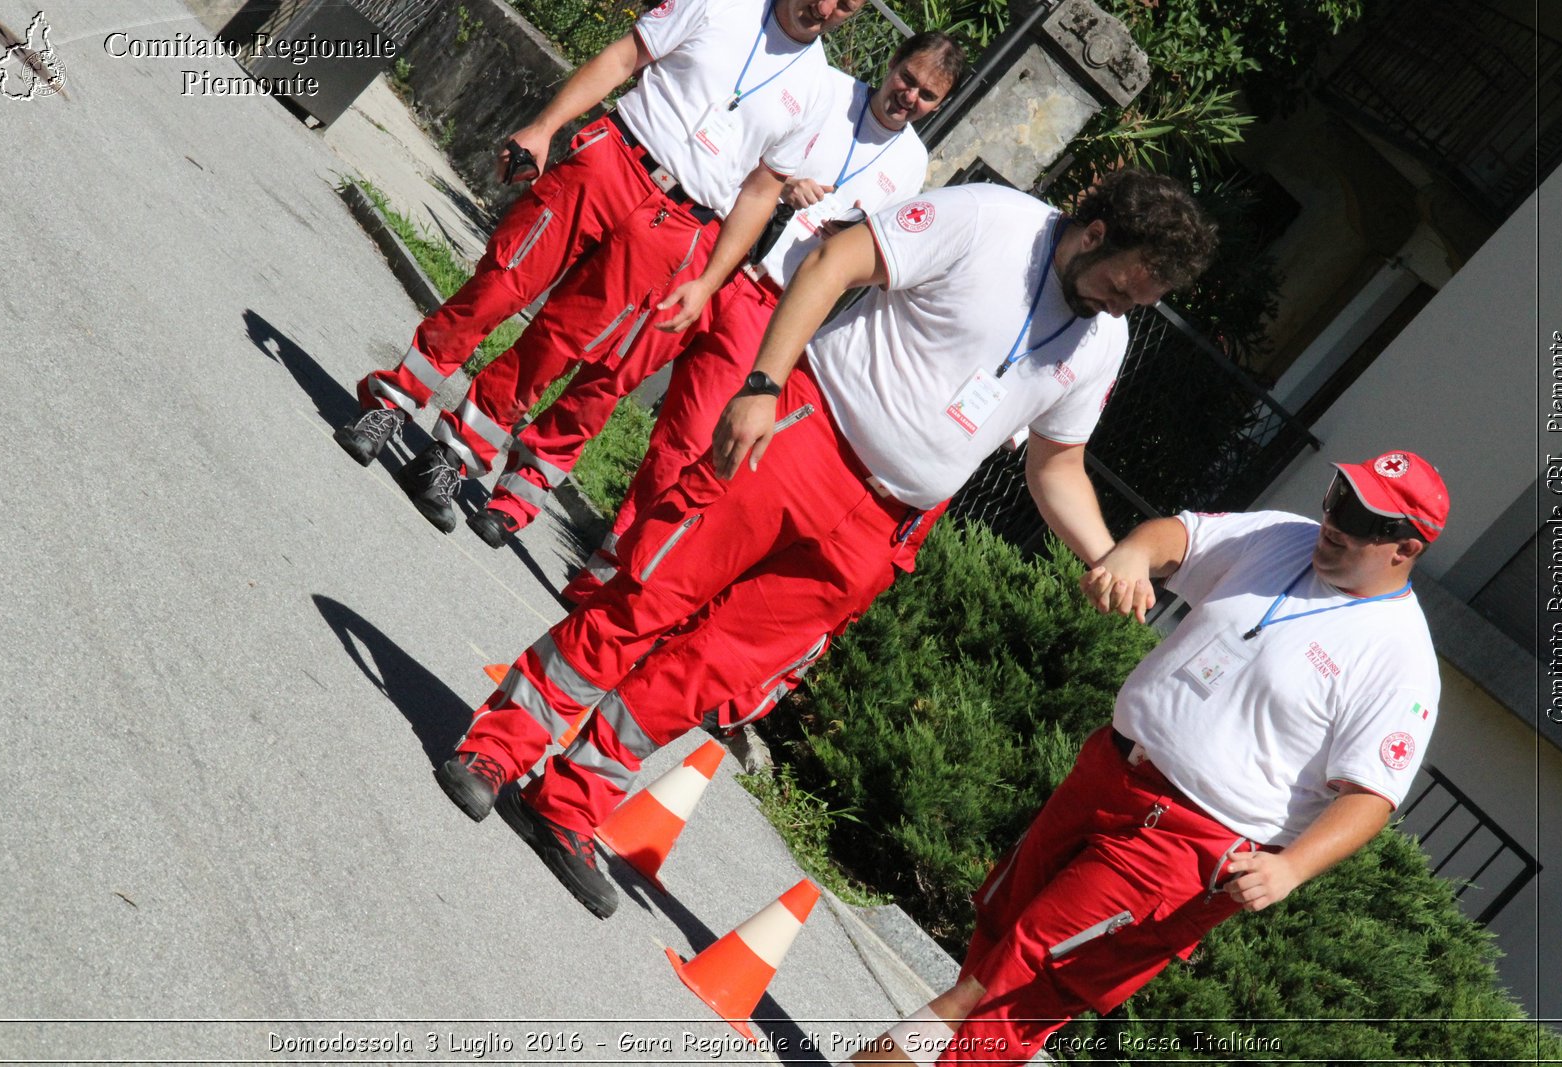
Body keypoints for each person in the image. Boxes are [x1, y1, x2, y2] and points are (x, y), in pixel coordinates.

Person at [433, 169, 1218, 919]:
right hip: (804, 435)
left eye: (1138, 302)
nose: (1117, 308)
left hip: (881, 527)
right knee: (647, 595)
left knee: (716, 667)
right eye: (1120, 287)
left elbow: (1057, 463)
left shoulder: (1101, 341)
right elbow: (836, 259)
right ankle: (496, 749)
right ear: (1096, 234)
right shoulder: (991, 220)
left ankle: (571, 799)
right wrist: (764, 384)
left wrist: (1107, 551)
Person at [848, 450, 1450, 1066]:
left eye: (1360, 515)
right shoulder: (1280, 536)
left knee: (1021, 978)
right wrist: (1134, 553)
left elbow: (1371, 794)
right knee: (1000, 930)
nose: (1333, 519)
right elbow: (1182, 537)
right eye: (1336, 498)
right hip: (1111, 770)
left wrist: (1291, 868)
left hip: (1189, 845)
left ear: (1405, 546)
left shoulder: (1399, 660)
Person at [332, 0, 867, 532]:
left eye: (844, 5)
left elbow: (757, 194)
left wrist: (707, 283)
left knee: (558, 346)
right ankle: (392, 401)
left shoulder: (818, 90)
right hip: (614, 163)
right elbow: (623, 58)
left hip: (677, 223)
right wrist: (544, 128)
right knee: (500, 285)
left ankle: (451, 456)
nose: (823, 8)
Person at [464, 33, 966, 557]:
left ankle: (614, 561)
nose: (910, 96)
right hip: (716, 261)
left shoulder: (911, 164)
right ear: (892, 63)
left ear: (939, 104)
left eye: (927, 94)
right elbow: (751, 158)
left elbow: (875, 256)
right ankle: (517, 497)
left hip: (770, 306)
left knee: (687, 440)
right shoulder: (827, 91)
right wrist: (786, 188)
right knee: (609, 374)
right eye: (908, 78)